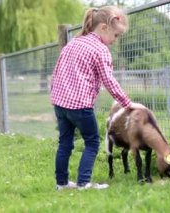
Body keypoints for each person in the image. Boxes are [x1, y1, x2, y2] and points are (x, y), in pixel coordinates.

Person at [50, 5, 144, 190]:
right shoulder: (100, 50)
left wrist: (53, 95)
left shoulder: (74, 43)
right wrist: (127, 103)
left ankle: (61, 184)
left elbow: (57, 70)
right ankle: (84, 183)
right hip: (80, 106)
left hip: (60, 104)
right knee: (92, 142)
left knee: (65, 143)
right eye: (116, 35)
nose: (115, 40)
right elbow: (108, 80)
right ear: (103, 28)